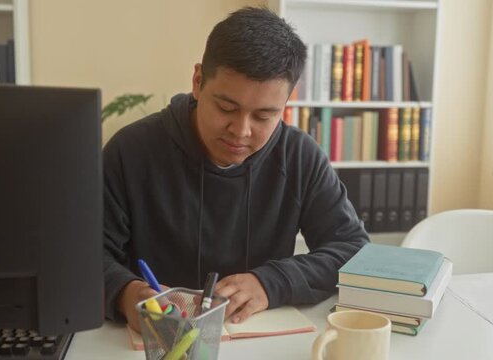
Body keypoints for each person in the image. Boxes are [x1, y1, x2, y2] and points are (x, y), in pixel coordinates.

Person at [103, 6, 369, 333]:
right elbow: (84, 257)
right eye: (226, 107)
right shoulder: (130, 150)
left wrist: (272, 282)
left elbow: (353, 250)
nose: (241, 131)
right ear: (198, 82)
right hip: (154, 342)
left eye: (263, 116)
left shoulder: (300, 156)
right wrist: (125, 293)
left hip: (259, 339)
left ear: (285, 104)